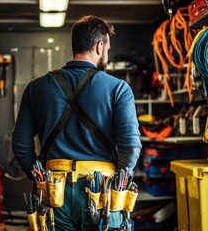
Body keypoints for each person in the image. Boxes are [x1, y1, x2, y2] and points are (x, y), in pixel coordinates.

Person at [12, 15, 142, 230]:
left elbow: (21, 144)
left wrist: (39, 178)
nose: (106, 54)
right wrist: (117, 181)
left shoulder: (36, 88)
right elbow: (131, 146)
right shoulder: (118, 88)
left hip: (54, 192)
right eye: (107, 49)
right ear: (100, 46)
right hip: (102, 193)